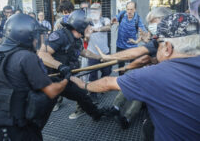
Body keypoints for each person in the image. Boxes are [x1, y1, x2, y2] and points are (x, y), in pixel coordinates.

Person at [71, 13, 200, 141]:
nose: (156, 47)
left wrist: (84, 85)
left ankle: (125, 116)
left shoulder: (154, 75)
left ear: (168, 48)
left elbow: (107, 83)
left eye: (159, 44)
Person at [0, 14, 69, 141]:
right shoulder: (26, 56)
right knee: (43, 96)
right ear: (25, 36)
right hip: (13, 132)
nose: (36, 41)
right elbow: (52, 91)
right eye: (34, 36)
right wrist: (65, 79)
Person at [106, 7, 173, 133]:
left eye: (154, 21)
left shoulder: (173, 41)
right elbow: (147, 52)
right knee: (129, 83)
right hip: (148, 69)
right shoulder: (156, 38)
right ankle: (115, 107)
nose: (152, 26)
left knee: (140, 92)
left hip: (160, 79)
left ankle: (127, 118)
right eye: (151, 23)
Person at [38, 9, 106, 120]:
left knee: (82, 94)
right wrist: (60, 66)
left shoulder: (77, 39)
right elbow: (42, 54)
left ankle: (96, 114)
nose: (90, 29)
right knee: (42, 111)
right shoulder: (60, 36)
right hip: (51, 79)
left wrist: (100, 57)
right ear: (80, 26)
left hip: (66, 77)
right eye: (88, 26)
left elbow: (83, 52)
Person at [113, 1, 147, 75]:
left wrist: (137, 41)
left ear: (135, 9)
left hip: (132, 47)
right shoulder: (122, 14)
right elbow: (114, 19)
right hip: (120, 46)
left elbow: (143, 33)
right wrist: (113, 21)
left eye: (131, 9)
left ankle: (133, 81)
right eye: (128, 9)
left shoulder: (138, 18)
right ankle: (121, 80)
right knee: (120, 65)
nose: (129, 11)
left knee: (135, 66)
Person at [87, 3, 111, 101]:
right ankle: (93, 94)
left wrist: (97, 29)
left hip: (105, 52)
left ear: (100, 12)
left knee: (107, 71)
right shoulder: (88, 22)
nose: (94, 12)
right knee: (93, 74)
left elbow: (108, 27)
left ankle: (101, 85)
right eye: (92, 10)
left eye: (96, 10)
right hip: (92, 53)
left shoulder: (105, 20)